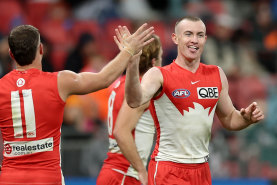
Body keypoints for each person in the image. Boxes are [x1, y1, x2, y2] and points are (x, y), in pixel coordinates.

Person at [0, 23, 154, 184]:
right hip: (47, 178)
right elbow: (104, 78)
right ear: (41, 50)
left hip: (10, 177)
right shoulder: (60, 82)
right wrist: (128, 51)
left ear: (11, 54)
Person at [119, 16, 265, 185]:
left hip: (201, 170)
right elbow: (134, 100)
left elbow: (230, 119)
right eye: (188, 34)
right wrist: (132, 62)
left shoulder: (217, 74)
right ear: (175, 38)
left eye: (199, 35)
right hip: (168, 170)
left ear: (205, 39)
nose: (194, 40)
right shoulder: (158, 75)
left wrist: (245, 119)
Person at [96, 34, 162, 185]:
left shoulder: (120, 84)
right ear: (153, 62)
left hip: (114, 172)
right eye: (160, 57)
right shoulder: (140, 92)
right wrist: (141, 170)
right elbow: (121, 131)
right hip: (126, 173)